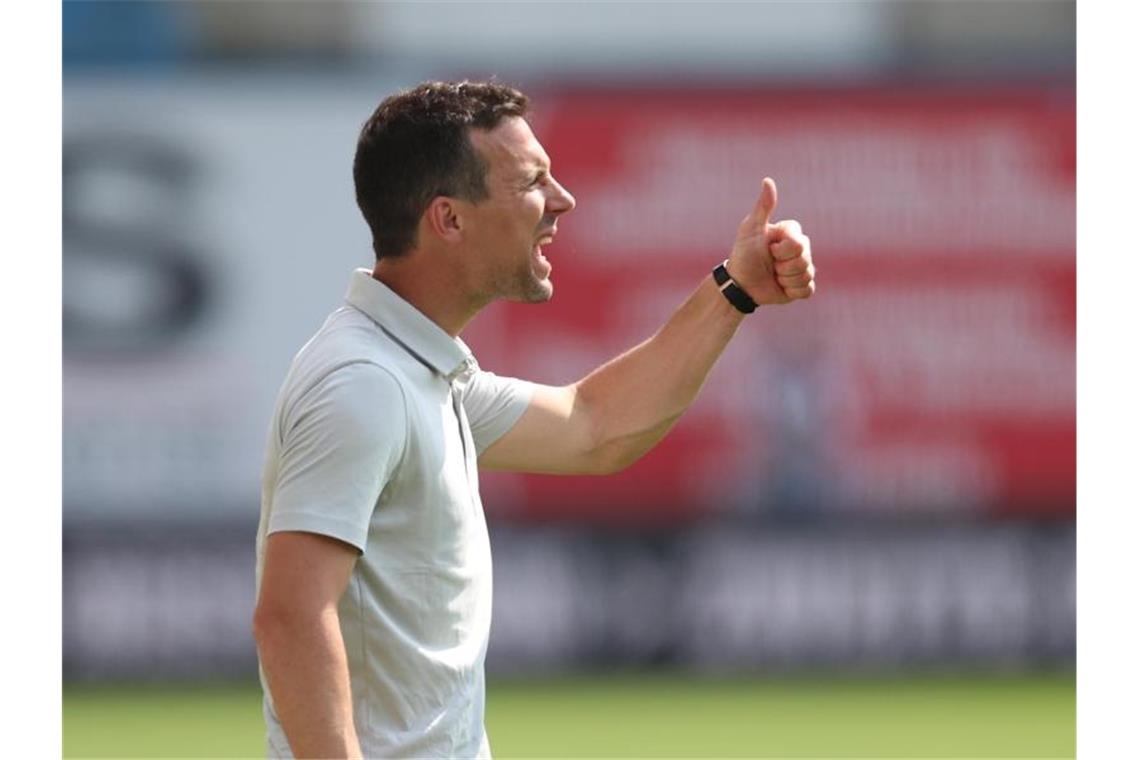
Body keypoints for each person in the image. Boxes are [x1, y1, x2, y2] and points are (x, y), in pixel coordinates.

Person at [252, 80, 814, 759]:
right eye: (532, 182)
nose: (562, 201)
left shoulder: (422, 374)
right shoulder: (363, 383)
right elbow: (290, 617)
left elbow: (594, 425)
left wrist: (735, 288)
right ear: (449, 220)